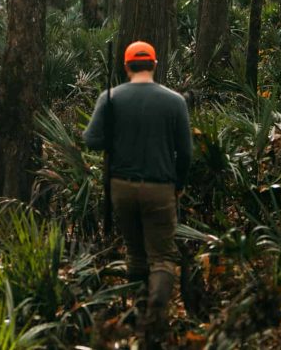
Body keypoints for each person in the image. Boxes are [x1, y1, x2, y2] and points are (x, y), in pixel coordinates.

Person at [83, 41, 192, 346]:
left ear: (126, 66)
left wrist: (114, 135)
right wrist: (179, 185)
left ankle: (141, 309)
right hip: (160, 187)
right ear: (154, 64)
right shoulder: (174, 101)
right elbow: (185, 152)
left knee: (135, 253)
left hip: (121, 187)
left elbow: (91, 140)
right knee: (163, 256)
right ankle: (155, 316)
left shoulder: (111, 98)